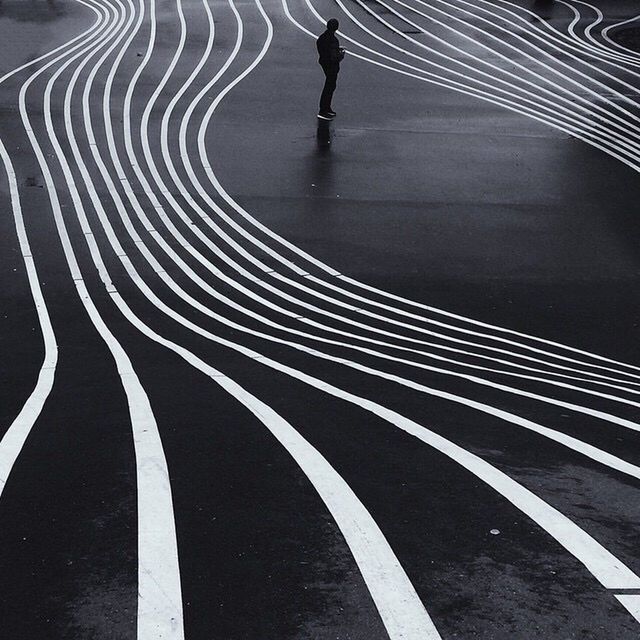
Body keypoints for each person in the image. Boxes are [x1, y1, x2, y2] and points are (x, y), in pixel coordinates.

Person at [316, 18, 345, 120]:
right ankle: (323, 110)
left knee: (329, 86)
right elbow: (334, 57)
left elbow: (323, 48)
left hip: (324, 63)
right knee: (330, 87)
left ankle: (327, 108)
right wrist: (341, 54)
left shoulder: (322, 38)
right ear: (336, 28)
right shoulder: (333, 40)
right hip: (331, 66)